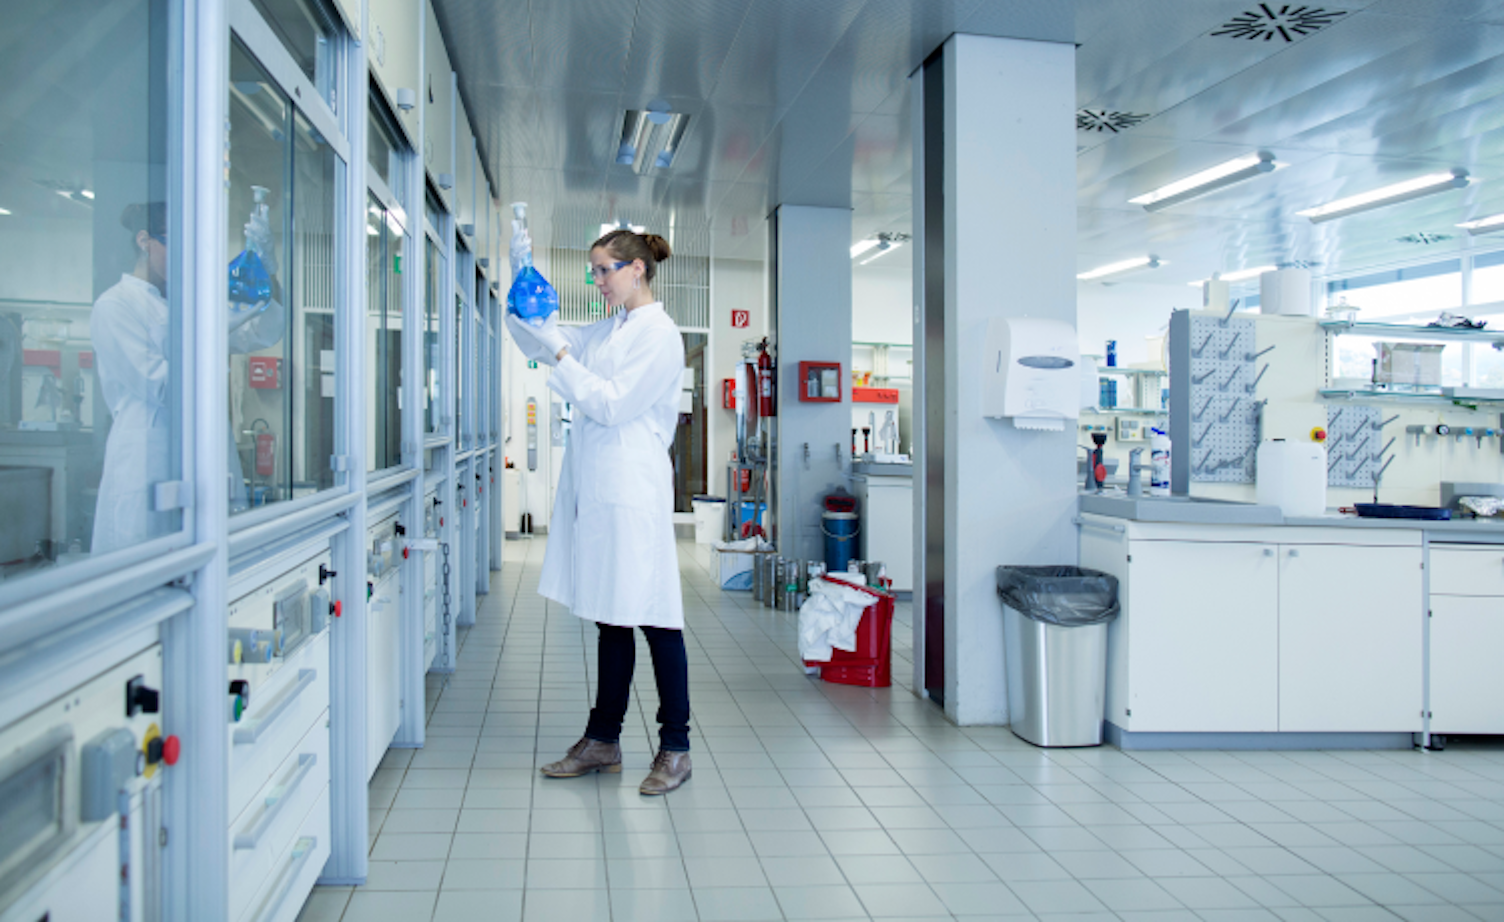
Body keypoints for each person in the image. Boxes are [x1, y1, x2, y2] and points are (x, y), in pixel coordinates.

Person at [506, 229, 691, 795]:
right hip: (603, 489)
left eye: (604, 270)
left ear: (637, 269)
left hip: (634, 491)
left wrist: (561, 353)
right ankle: (603, 739)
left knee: (656, 616)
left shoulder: (660, 336)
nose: (598, 281)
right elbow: (542, 341)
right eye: (594, 271)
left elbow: (610, 403)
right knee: (613, 615)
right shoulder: (611, 329)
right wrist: (521, 287)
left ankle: (676, 747)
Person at [91, 202, 173, 554]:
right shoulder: (115, 305)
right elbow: (161, 384)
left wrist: (266, 276)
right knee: (138, 569)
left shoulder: (177, 305)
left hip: (183, 462)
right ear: (145, 240)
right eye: (175, 243)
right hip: (143, 461)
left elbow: (259, 333)